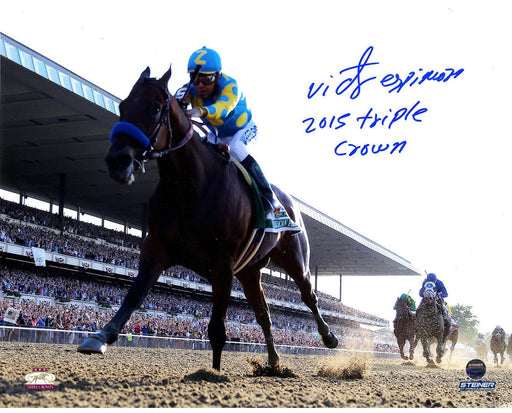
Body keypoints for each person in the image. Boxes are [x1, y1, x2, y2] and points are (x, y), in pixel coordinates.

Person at [175, 47, 300, 234]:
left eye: (206, 79)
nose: (200, 85)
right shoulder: (189, 90)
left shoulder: (231, 86)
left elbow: (222, 109)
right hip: (216, 133)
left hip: (243, 130)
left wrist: (200, 111)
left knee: (236, 148)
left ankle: (269, 199)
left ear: (217, 77)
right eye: (195, 78)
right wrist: (177, 103)